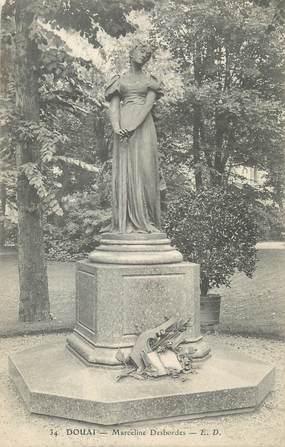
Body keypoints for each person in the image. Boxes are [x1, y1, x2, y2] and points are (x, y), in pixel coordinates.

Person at [105, 41, 163, 234]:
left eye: (147, 54)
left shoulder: (150, 80)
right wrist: (118, 127)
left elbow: (148, 106)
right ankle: (126, 222)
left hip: (143, 127)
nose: (144, 56)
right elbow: (113, 107)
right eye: (141, 51)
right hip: (123, 130)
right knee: (126, 171)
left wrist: (133, 126)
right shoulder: (119, 80)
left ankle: (147, 220)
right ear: (131, 54)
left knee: (146, 170)